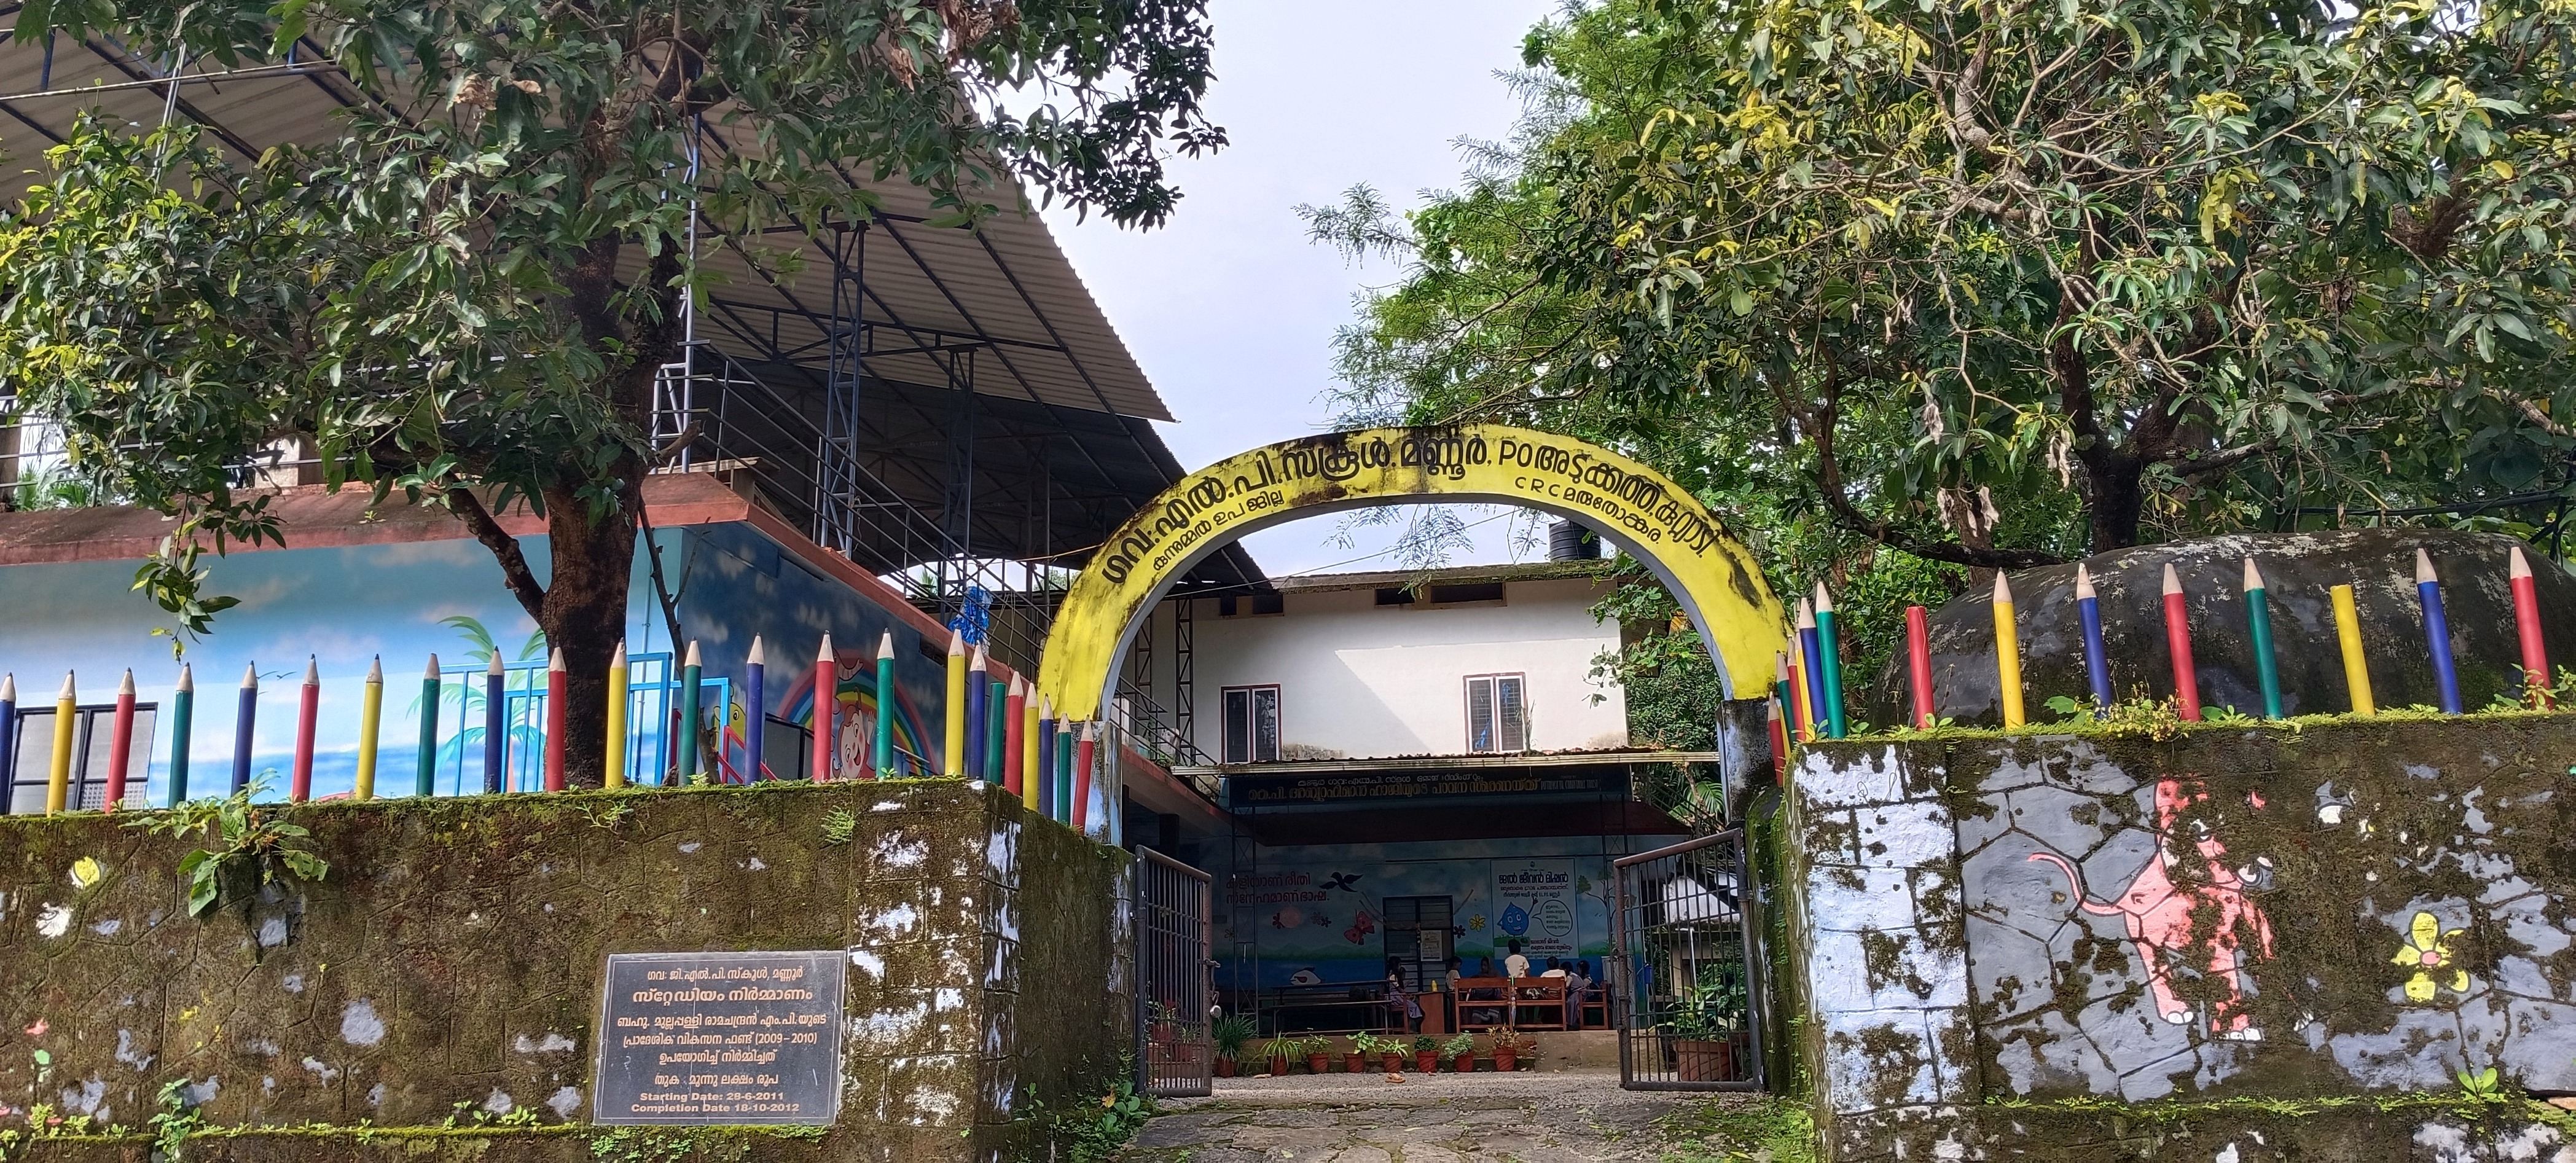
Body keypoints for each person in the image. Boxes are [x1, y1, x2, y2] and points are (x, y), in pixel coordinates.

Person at [1385, 957, 1424, 1033]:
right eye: (1399, 965)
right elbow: (1399, 988)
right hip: (1395, 997)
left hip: (1397, 996)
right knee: (1413, 1006)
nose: (1400, 967)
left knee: (1412, 1005)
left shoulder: (1394, 976)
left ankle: (1412, 1026)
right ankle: (1415, 1025)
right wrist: (1406, 996)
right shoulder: (1392, 976)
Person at [1564, 958, 1594, 1028]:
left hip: (1585, 998)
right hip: (1582, 996)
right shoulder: (1580, 977)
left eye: (1578, 969)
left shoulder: (1586, 980)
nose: (1577, 971)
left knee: (1571, 1001)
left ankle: (1572, 1021)